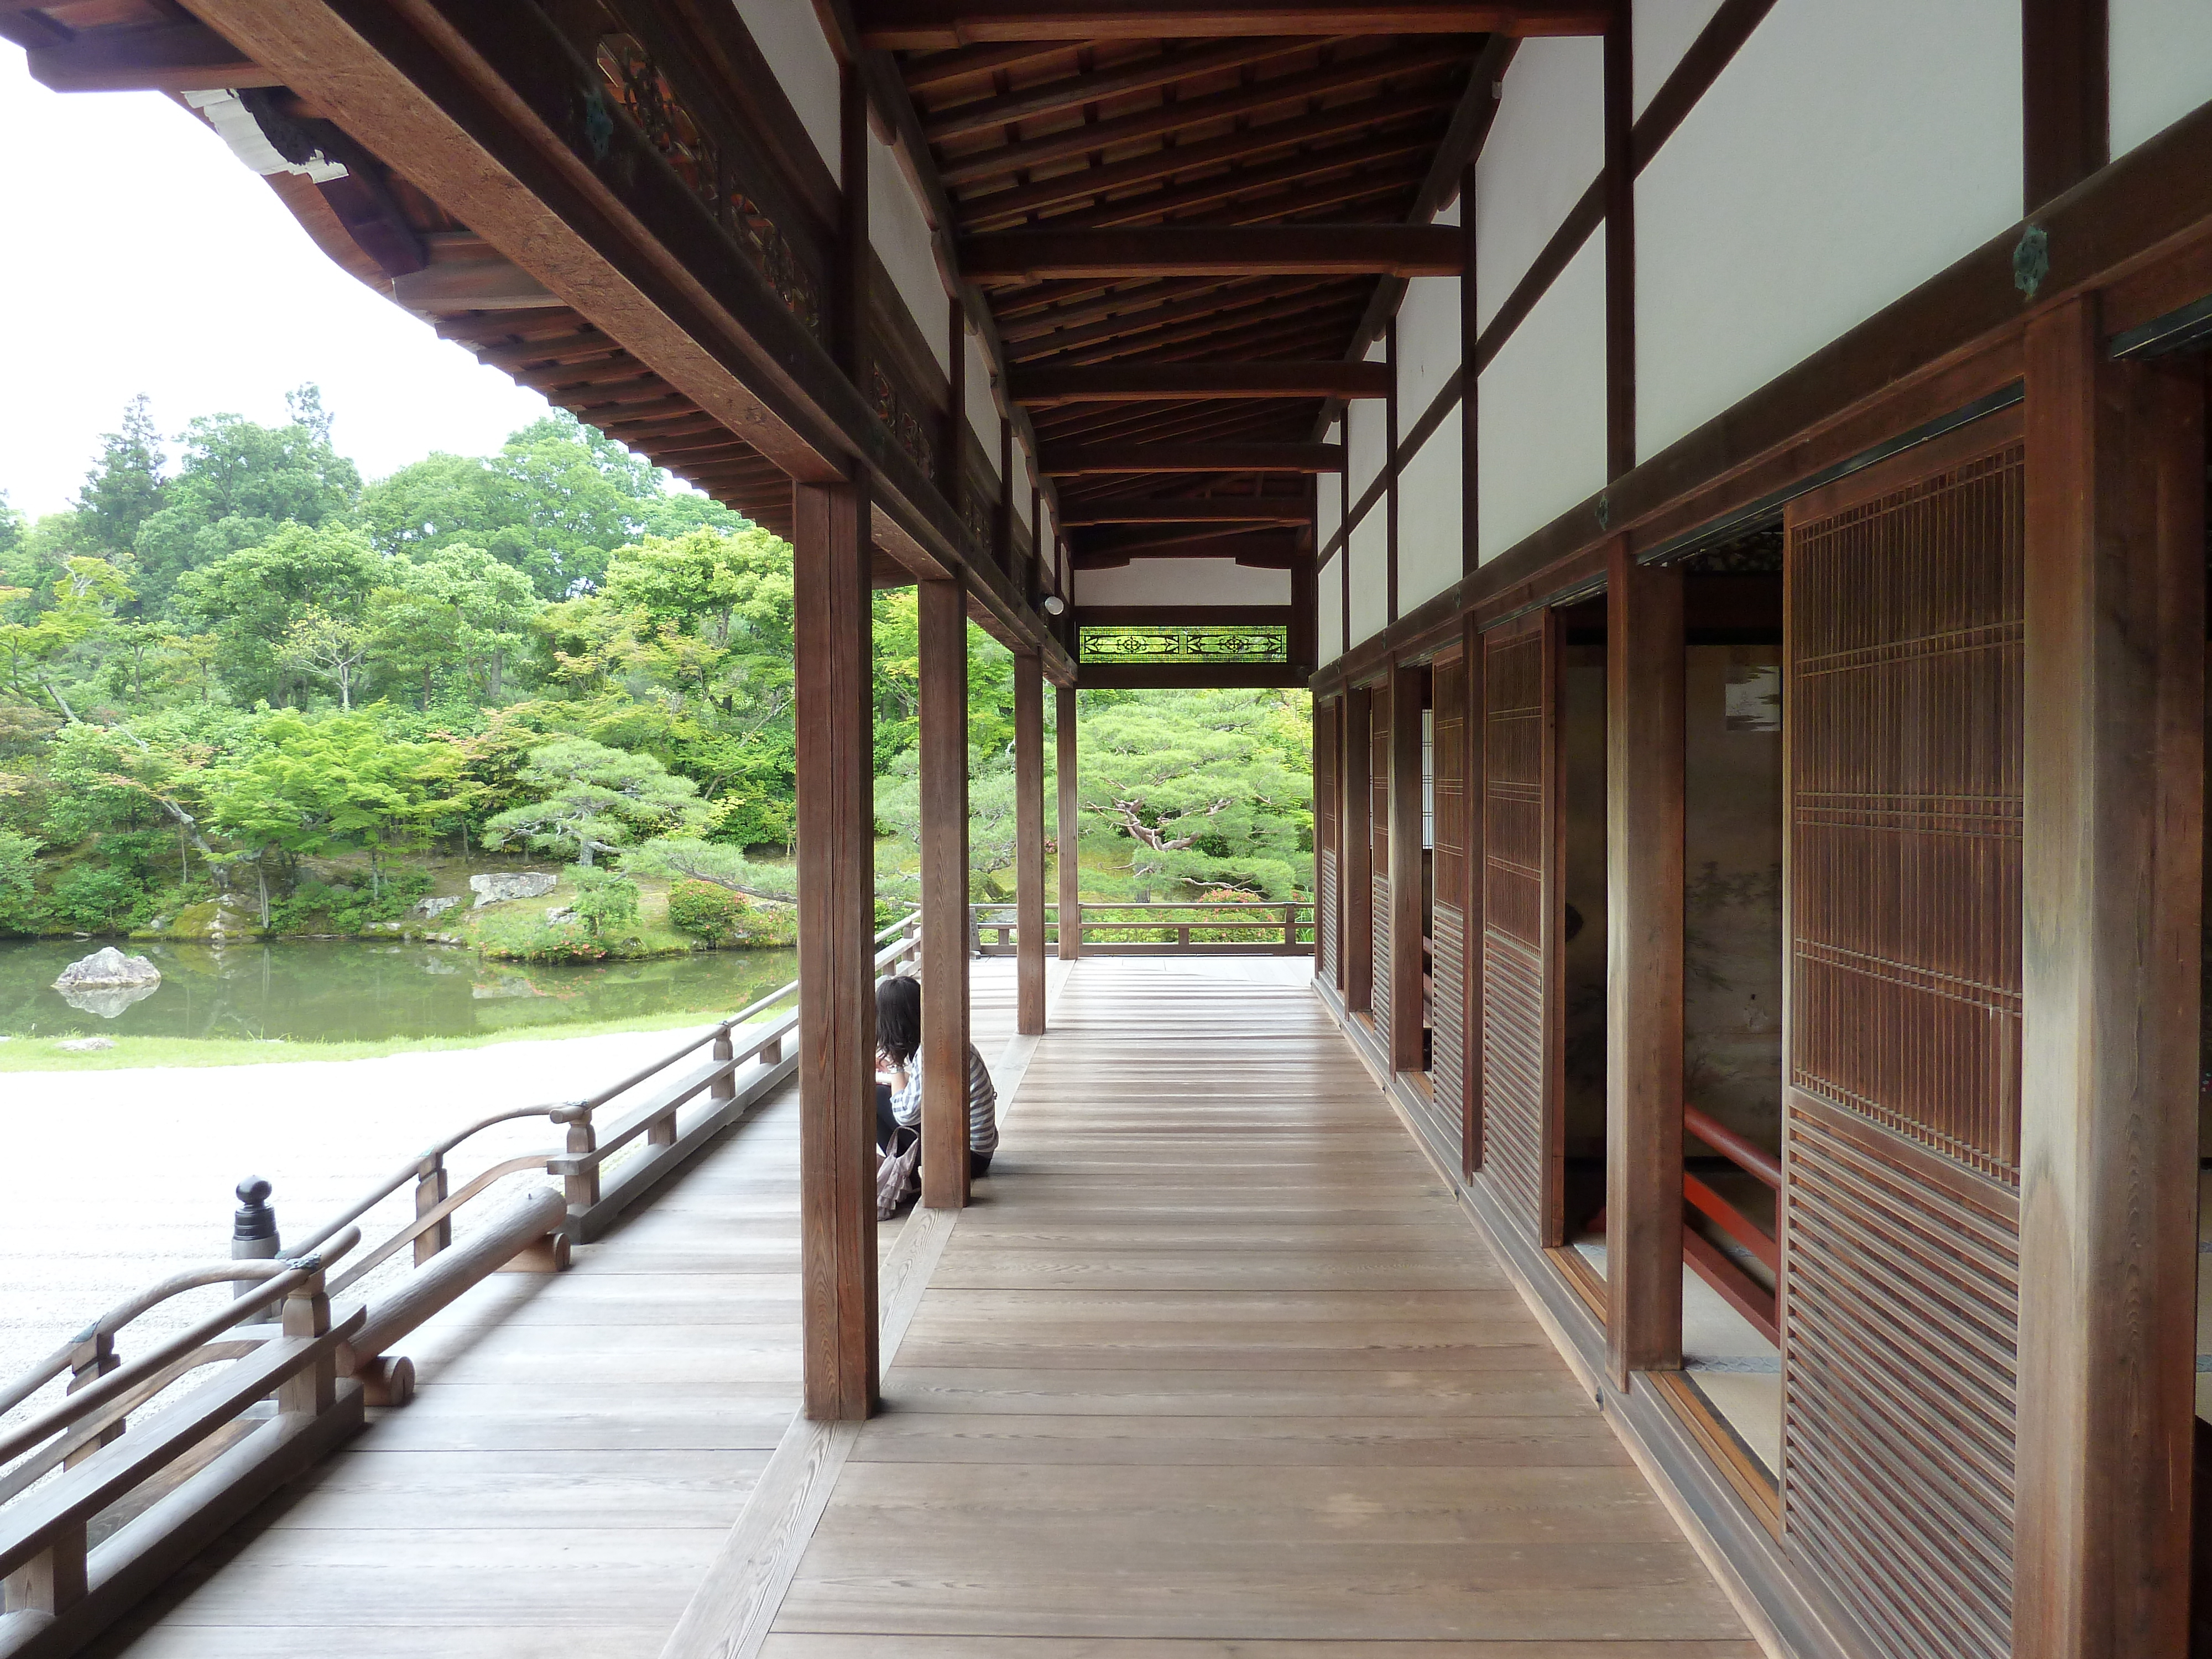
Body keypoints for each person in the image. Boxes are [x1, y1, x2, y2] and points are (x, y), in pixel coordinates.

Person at [874, 974, 998, 1176]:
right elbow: (926, 1087)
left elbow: (905, 1114)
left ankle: (904, 1171)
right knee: (883, 1092)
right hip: (978, 1151)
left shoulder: (930, 1051)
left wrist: (896, 1066)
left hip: (966, 1158)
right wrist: (897, 1072)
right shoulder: (941, 1038)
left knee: (875, 1097)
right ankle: (901, 1165)